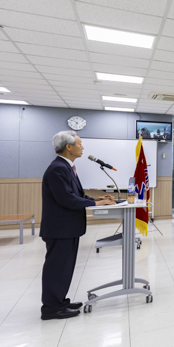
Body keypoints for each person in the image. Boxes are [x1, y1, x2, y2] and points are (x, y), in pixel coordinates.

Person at [40, 131, 116, 320]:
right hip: (60, 228)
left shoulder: (66, 167)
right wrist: (97, 204)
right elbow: (66, 199)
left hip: (67, 228)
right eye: (80, 144)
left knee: (64, 267)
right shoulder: (58, 169)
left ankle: (60, 302)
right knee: (57, 268)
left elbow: (75, 195)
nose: (82, 147)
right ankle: (51, 308)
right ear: (68, 147)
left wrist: (95, 199)